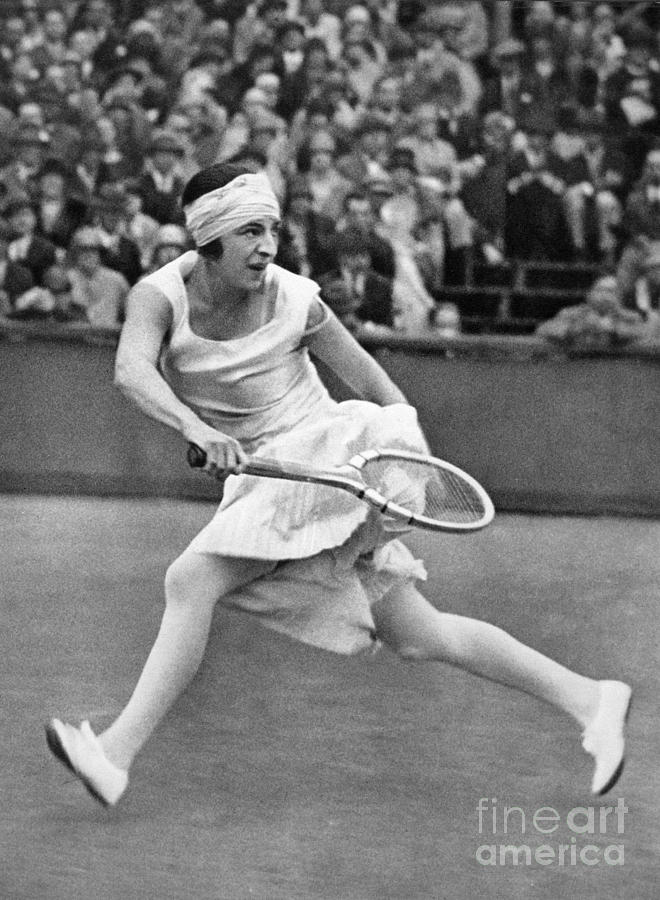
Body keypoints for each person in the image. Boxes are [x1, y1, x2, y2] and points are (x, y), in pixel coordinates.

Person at [46, 163, 631, 808]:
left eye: (271, 229)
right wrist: (196, 428)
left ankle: (115, 754)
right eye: (249, 232)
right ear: (207, 239)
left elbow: (381, 391)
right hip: (271, 483)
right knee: (420, 636)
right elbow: (131, 371)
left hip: (335, 459)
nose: (267, 245)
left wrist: (411, 471)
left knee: (192, 580)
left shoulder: (298, 298)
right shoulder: (159, 297)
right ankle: (589, 697)